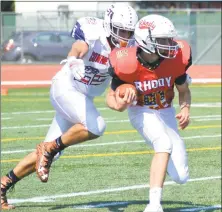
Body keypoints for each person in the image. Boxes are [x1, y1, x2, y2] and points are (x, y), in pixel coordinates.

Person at [1, 3, 138, 210]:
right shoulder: (94, 32)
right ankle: (48, 149)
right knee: (96, 126)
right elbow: (79, 47)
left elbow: (111, 98)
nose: (125, 36)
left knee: (50, 151)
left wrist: (121, 103)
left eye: (129, 31)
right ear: (109, 25)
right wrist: (74, 60)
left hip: (82, 98)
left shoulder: (127, 52)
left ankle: (3, 185)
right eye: (121, 30)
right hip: (65, 88)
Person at [106, 14, 192, 212]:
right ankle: (154, 205)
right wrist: (119, 104)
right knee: (163, 143)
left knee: (181, 177)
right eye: (163, 40)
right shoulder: (126, 63)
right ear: (146, 40)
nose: (170, 44)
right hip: (141, 110)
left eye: (169, 39)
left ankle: (163, 162)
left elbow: (184, 91)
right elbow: (109, 98)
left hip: (166, 111)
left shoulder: (175, 60)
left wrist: (185, 108)